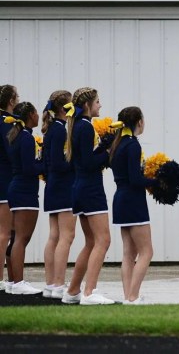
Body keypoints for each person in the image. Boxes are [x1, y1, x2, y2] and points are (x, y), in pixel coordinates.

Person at [61, 87, 114, 305]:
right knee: (103, 240)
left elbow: (81, 159)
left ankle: (73, 291)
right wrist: (108, 153)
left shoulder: (77, 126)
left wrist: (102, 147)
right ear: (87, 106)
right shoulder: (85, 127)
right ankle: (90, 292)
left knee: (91, 242)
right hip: (90, 189)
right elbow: (88, 163)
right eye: (98, 102)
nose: (100, 105)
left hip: (79, 188)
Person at [109, 107, 157, 304]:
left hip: (120, 199)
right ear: (139, 122)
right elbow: (135, 179)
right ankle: (133, 296)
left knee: (129, 253)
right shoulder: (132, 145)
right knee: (146, 251)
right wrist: (157, 181)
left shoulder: (117, 144)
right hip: (133, 200)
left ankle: (128, 296)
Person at [5, 102, 44, 295]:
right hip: (24, 192)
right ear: (30, 115)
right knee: (22, 238)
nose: (38, 116)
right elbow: (29, 169)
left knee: (15, 238)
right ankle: (18, 282)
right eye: (36, 112)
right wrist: (46, 165)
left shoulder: (15, 135)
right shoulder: (27, 138)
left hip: (16, 189)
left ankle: (13, 281)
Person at [40, 90, 76, 300]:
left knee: (55, 235)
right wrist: (76, 163)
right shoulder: (60, 130)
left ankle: (50, 283)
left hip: (53, 186)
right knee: (66, 236)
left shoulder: (52, 129)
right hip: (63, 186)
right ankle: (59, 284)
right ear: (64, 109)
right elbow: (57, 162)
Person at [0, 84, 19, 292]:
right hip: (5, 181)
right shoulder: (6, 122)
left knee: (10, 233)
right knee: (4, 233)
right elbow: (11, 150)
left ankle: (14, 278)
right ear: (11, 101)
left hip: (5, 180)